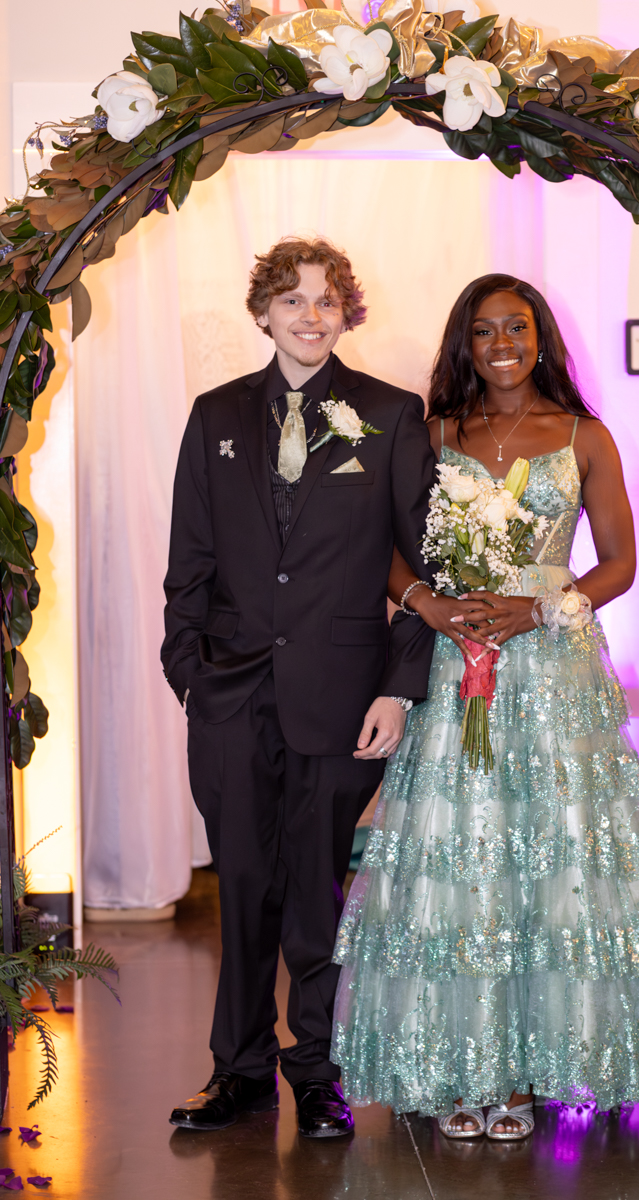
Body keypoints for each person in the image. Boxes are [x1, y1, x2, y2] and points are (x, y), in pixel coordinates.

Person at [330, 274, 639, 1140]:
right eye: (484, 329)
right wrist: (430, 605)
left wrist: (538, 608)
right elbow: (385, 547)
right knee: (464, 856)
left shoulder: (584, 436)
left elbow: (618, 563)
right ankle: (463, 1065)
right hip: (458, 662)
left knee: (550, 856)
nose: (501, 343)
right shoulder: (432, 435)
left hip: (554, 666)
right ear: (465, 341)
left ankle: (525, 1076)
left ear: (541, 339)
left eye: (517, 328)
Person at [161, 237, 437, 1138]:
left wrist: (398, 688)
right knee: (242, 887)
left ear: (346, 313)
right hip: (232, 698)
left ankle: (315, 1072)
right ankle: (236, 1069)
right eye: (292, 301)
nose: (309, 316)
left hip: (343, 695)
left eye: (326, 301)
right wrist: (189, 674)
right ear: (263, 313)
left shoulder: (392, 415)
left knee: (316, 892)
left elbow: (428, 569)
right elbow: (189, 566)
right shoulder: (215, 416)